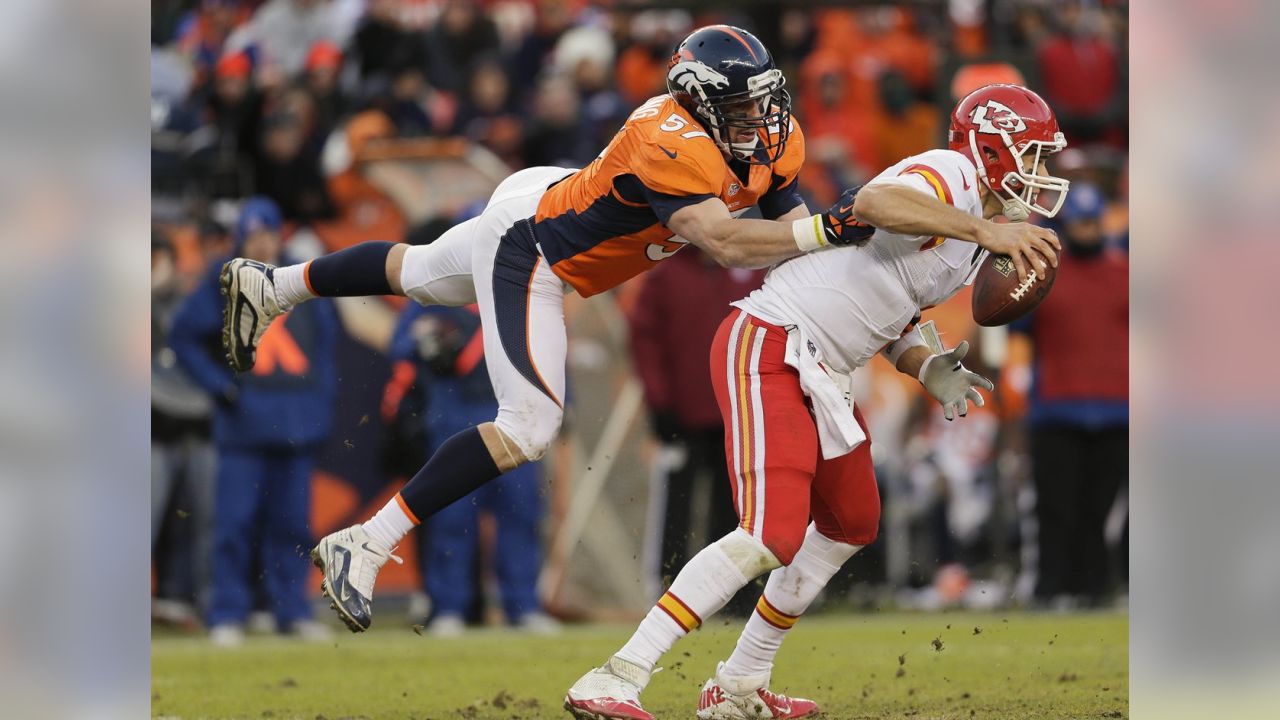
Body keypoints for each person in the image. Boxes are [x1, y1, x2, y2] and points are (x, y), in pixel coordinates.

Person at [216, 25, 877, 635]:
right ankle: (366, 541)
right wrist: (831, 228)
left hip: (550, 197)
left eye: (764, 102)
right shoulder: (669, 138)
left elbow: (792, 227)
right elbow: (727, 242)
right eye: (741, 107)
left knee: (416, 272)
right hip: (536, 248)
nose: (760, 120)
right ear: (698, 104)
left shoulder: (771, 140)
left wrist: (857, 259)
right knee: (528, 423)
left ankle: (274, 285)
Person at [563, 83, 1065, 720]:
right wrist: (982, 228)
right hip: (771, 341)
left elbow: (893, 308)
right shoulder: (954, 174)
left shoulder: (969, 236)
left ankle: (740, 681)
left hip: (823, 366)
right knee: (770, 532)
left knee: (853, 520)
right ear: (995, 150)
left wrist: (929, 366)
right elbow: (876, 202)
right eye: (1036, 154)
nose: (1043, 173)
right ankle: (618, 673)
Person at [170, 197, 339, 646]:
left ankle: (291, 610)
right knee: (233, 522)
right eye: (253, 233)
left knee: (293, 524)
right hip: (244, 424)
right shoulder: (225, 280)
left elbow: (325, 346)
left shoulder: (304, 277)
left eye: (267, 232)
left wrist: (319, 401)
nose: (262, 241)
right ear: (243, 237)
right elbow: (183, 336)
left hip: (296, 421)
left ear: (279, 233)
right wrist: (221, 387)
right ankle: (227, 611)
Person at [387, 302, 555, 635]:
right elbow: (401, 345)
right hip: (454, 417)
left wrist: (565, 401)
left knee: (520, 515)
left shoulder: (520, 285)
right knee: (452, 519)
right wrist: (428, 339)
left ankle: (522, 606)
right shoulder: (436, 292)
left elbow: (550, 345)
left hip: (514, 418)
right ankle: (449, 607)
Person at [1011, 181, 1128, 608]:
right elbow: (1009, 325)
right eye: (1079, 223)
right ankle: (1048, 588)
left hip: (1117, 409)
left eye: (1092, 222)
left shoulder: (1126, 272)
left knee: (1098, 508)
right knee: (1054, 508)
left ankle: (1094, 590)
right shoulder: (1041, 274)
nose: (1087, 231)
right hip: (1056, 408)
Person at [627, 248, 765, 602]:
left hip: (738, 415)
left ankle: (732, 591)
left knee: (735, 510)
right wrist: (659, 403)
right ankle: (667, 589)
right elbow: (645, 341)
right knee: (676, 506)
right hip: (682, 417)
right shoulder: (665, 275)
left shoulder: (750, 268)